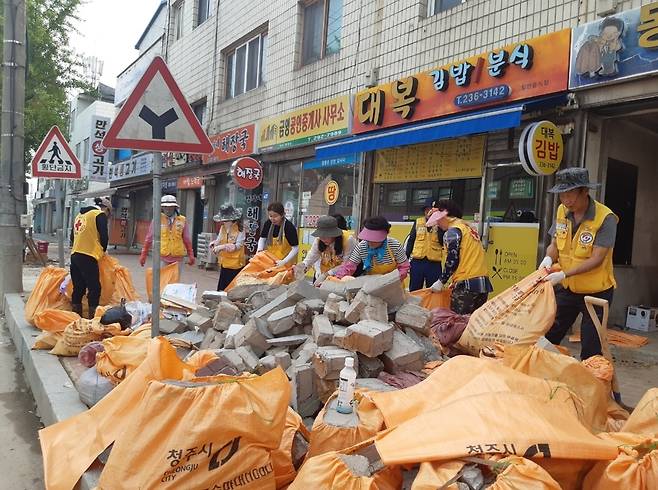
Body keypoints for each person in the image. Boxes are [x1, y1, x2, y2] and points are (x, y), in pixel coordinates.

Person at [539, 168, 618, 360]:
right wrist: (548, 258)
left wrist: (564, 274)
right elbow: (555, 244)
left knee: (591, 346)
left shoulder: (605, 218)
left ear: (585, 191)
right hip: (567, 289)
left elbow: (597, 259)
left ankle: (594, 386)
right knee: (548, 335)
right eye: (562, 195)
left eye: (570, 194)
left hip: (596, 293)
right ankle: (544, 380)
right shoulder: (561, 211)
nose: (566, 200)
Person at [427, 200, 492, 314]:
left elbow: (452, 259)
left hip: (467, 286)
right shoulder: (467, 228)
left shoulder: (453, 231)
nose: (437, 223)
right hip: (482, 285)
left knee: (458, 325)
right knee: (474, 324)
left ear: (444, 216)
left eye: (437, 219)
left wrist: (441, 281)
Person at [69, 197, 112, 318]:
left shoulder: (79, 216)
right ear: (106, 209)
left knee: (78, 287)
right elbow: (104, 237)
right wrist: (102, 251)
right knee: (94, 288)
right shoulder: (99, 214)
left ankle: (75, 318)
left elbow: (72, 237)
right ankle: (93, 319)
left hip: (75, 255)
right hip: (88, 255)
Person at [331, 216, 410, 279]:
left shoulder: (394, 245)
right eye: (368, 239)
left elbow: (404, 267)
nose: (370, 242)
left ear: (386, 234)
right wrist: (337, 278)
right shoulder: (362, 246)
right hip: (371, 283)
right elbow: (349, 267)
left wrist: (394, 280)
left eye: (374, 239)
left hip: (394, 285)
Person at [294, 215, 358, 285]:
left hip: (343, 277)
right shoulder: (318, 240)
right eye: (321, 235)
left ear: (334, 234)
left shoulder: (348, 240)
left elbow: (346, 264)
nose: (322, 238)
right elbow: (311, 257)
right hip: (324, 273)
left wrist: (327, 274)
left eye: (326, 235)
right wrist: (303, 267)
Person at [139, 195, 195, 274]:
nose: (168, 209)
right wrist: (143, 254)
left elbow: (187, 239)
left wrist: (191, 255)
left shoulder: (182, 220)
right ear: (162, 208)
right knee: (162, 281)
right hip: (162, 257)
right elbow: (149, 238)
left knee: (174, 283)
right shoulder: (157, 219)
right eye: (165, 207)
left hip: (177, 257)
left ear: (175, 207)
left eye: (171, 207)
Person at [406, 197, 444, 291]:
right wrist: (405, 259)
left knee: (433, 290)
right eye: (427, 210)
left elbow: (442, 241)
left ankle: (431, 306)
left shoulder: (441, 224)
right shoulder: (418, 222)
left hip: (433, 263)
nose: (429, 212)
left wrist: (438, 224)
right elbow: (411, 240)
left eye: (431, 210)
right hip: (417, 261)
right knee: (415, 289)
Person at [210, 204, 246, 291]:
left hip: (236, 264)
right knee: (221, 289)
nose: (223, 222)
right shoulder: (223, 228)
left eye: (225, 220)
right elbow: (219, 239)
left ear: (232, 219)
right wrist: (214, 244)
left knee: (232, 290)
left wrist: (221, 247)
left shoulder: (240, 229)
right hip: (224, 263)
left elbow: (237, 246)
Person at [257, 202, 299, 266]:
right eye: (270, 216)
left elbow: (295, 248)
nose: (272, 219)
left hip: (285, 262)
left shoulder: (288, 227)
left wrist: (284, 261)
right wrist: (259, 251)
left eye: (275, 216)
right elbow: (262, 238)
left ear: (282, 215)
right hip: (270, 261)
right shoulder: (268, 223)